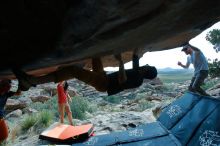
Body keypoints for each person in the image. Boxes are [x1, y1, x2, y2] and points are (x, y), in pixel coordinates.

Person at [13, 50, 157, 96]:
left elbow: (122, 80)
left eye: (148, 66)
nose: (147, 64)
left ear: (147, 71)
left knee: (73, 71)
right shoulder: (139, 70)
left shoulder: (138, 80)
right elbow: (135, 57)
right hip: (104, 77)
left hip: (103, 83)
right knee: (96, 56)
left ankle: (31, 81)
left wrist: (120, 61)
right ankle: (29, 82)